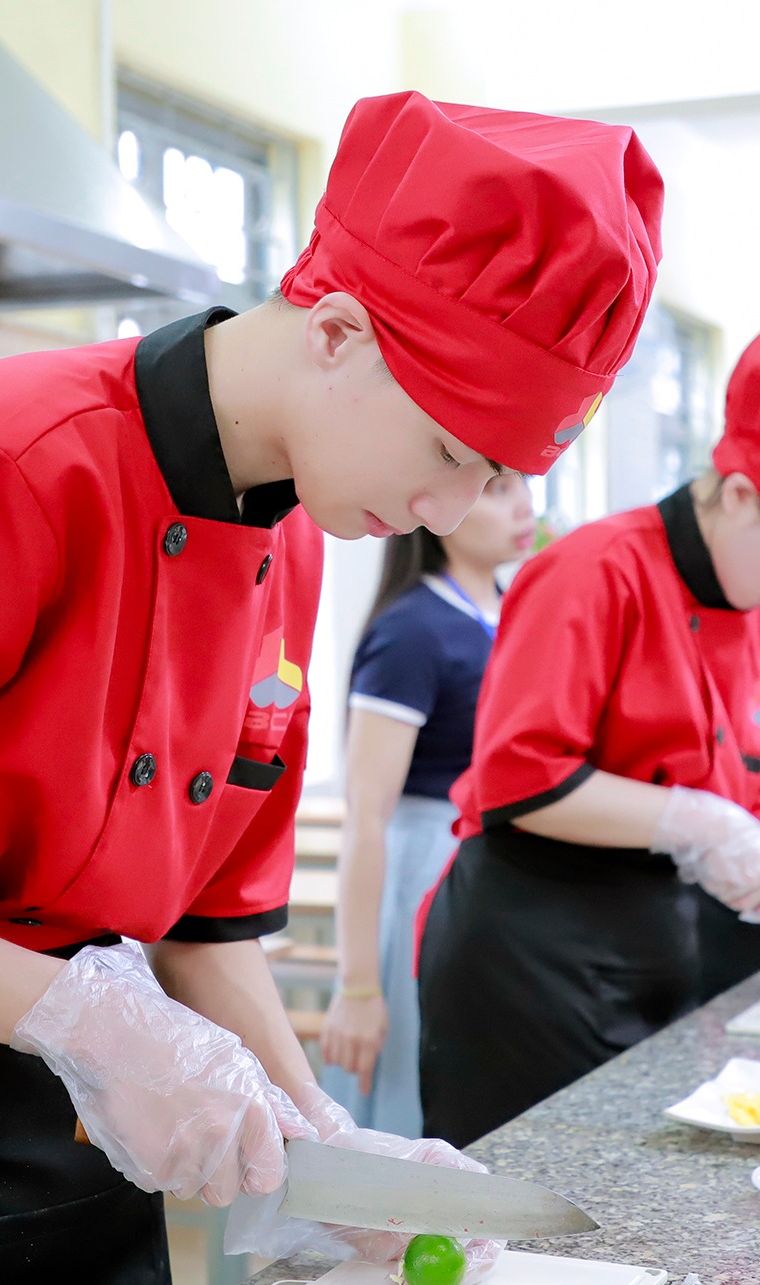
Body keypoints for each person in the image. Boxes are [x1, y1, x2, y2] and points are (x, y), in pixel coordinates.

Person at [0, 90, 663, 1284]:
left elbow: (205, 929)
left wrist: (317, 1139)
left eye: (489, 479)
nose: (448, 512)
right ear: (338, 332)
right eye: (448, 453)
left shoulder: (292, 537)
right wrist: (88, 1018)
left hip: (94, 1151)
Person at [416, 326, 760, 1149]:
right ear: (740, 495)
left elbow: (757, 796)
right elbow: (523, 777)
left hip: (655, 942)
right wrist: (697, 820)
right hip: (530, 955)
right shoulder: (595, 570)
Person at [320, 470, 535, 1137]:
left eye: (522, 486)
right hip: (423, 873)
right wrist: (358, 986)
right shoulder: (413, 630)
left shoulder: (516, 613)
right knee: (414, 1093)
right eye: (497, 490)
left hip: (494, 877)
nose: (523, 506)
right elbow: (367, 816)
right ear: (439, 507)